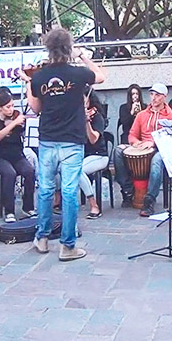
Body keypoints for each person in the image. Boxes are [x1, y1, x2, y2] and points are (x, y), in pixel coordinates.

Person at [24, 27, 106, 261]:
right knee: (70, 190)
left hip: (48, 138)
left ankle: (41, 238)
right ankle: (67, 245)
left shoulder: (38, 76)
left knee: (47, 188)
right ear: (68, 48)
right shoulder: (78, 73)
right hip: (71, 139)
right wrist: (83, 56)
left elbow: (36, 108)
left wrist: (29, 86)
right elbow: (100, 76)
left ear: (48, 48)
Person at [125, 83, 172, 217]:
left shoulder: (171, 116)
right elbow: (131, 135)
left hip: (161, 149)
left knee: (156, 161)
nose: (153, 98)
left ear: (164, 97)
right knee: (117, 153)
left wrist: (153, 143)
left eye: (157, 95)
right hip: (142, 147)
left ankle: (149, 201)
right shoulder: (142, 115)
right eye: (152, 94)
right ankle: (127, 190)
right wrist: (137, 143)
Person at [0, 89, 36, 222]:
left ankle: (28, 207)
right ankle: (9, 211)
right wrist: (13, 124)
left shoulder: (16, 116)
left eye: (13, 106)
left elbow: (22, 130)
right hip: (0, 158)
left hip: (17, 156)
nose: (11, 109)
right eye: (8, 107)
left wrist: (20, 124)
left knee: (29, 171)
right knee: (10, 173)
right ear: (0, 108)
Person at [80, 90, 108, 219]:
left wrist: (87, 123)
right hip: (82, 154)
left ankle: (94, 205)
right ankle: (57, 202)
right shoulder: (76, 116)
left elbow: (93, 139)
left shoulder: (97, 117)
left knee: (77, 171)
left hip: (99, 155)